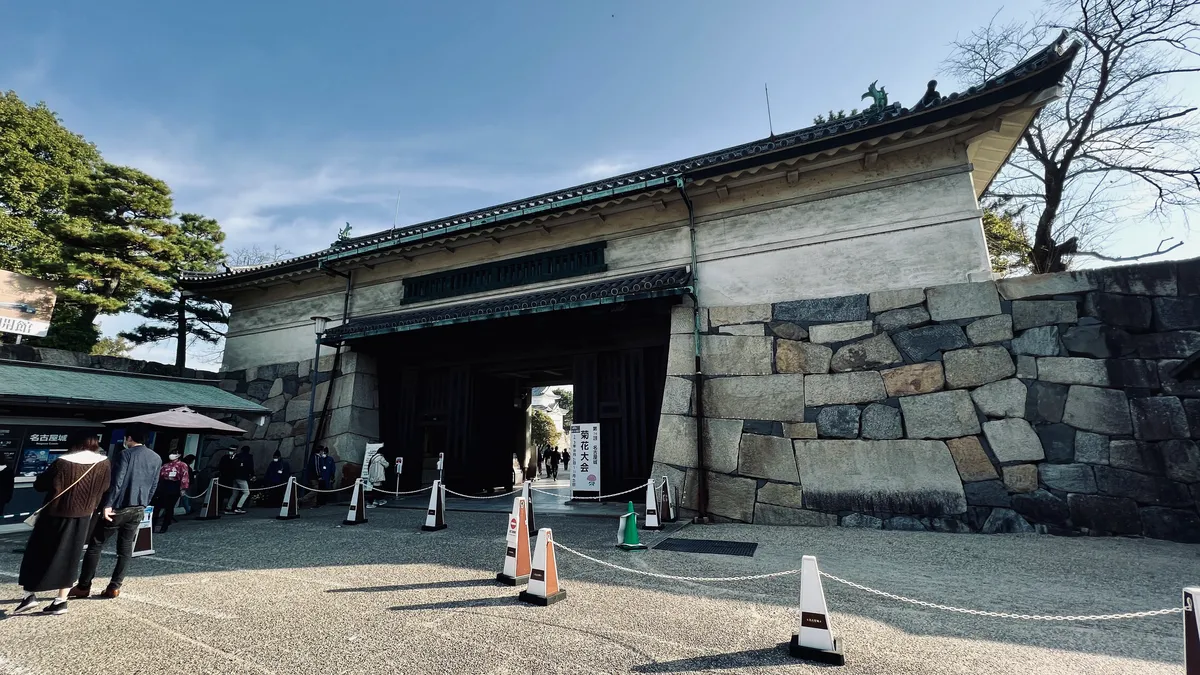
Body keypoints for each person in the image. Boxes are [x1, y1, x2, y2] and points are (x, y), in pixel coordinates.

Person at [14, 433, 111, 615]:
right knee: (71, 557)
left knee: (38, 553)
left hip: (55, 515)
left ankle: (29, 595)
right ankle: (61, 600)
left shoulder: (63, 461)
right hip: (83, 516)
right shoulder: (103, 463)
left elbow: (41, 484)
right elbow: (105, 488)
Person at [70, 427, 161, 601]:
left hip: (119, 506)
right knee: (125, 549)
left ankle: (84, 585)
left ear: (129, 438)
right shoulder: (156, 457)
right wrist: (145, 502)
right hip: (138, 507)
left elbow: (117, 481)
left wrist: (108, 504)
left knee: (96, 544)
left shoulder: (125, 455)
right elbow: (154, 484)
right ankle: (115, 586)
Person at [152, 452, 189, 533]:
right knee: (157, 507)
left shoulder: (182, 465)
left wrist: (183, 488)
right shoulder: (165, 465)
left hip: (174, 485)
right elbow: (160, 476)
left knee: (169, 507)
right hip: (164, 485)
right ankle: (152, 525)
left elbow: (185, 476)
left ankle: (164, 526)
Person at [224, 445, 254, 514]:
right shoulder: (249, 457)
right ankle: (238, 507)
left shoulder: (237, 456)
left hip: (235, 477)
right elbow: (251, 467)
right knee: (246, 492)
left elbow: (231, 466)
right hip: (242, 477)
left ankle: (228, 507)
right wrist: (252, 475)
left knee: (234, 493)